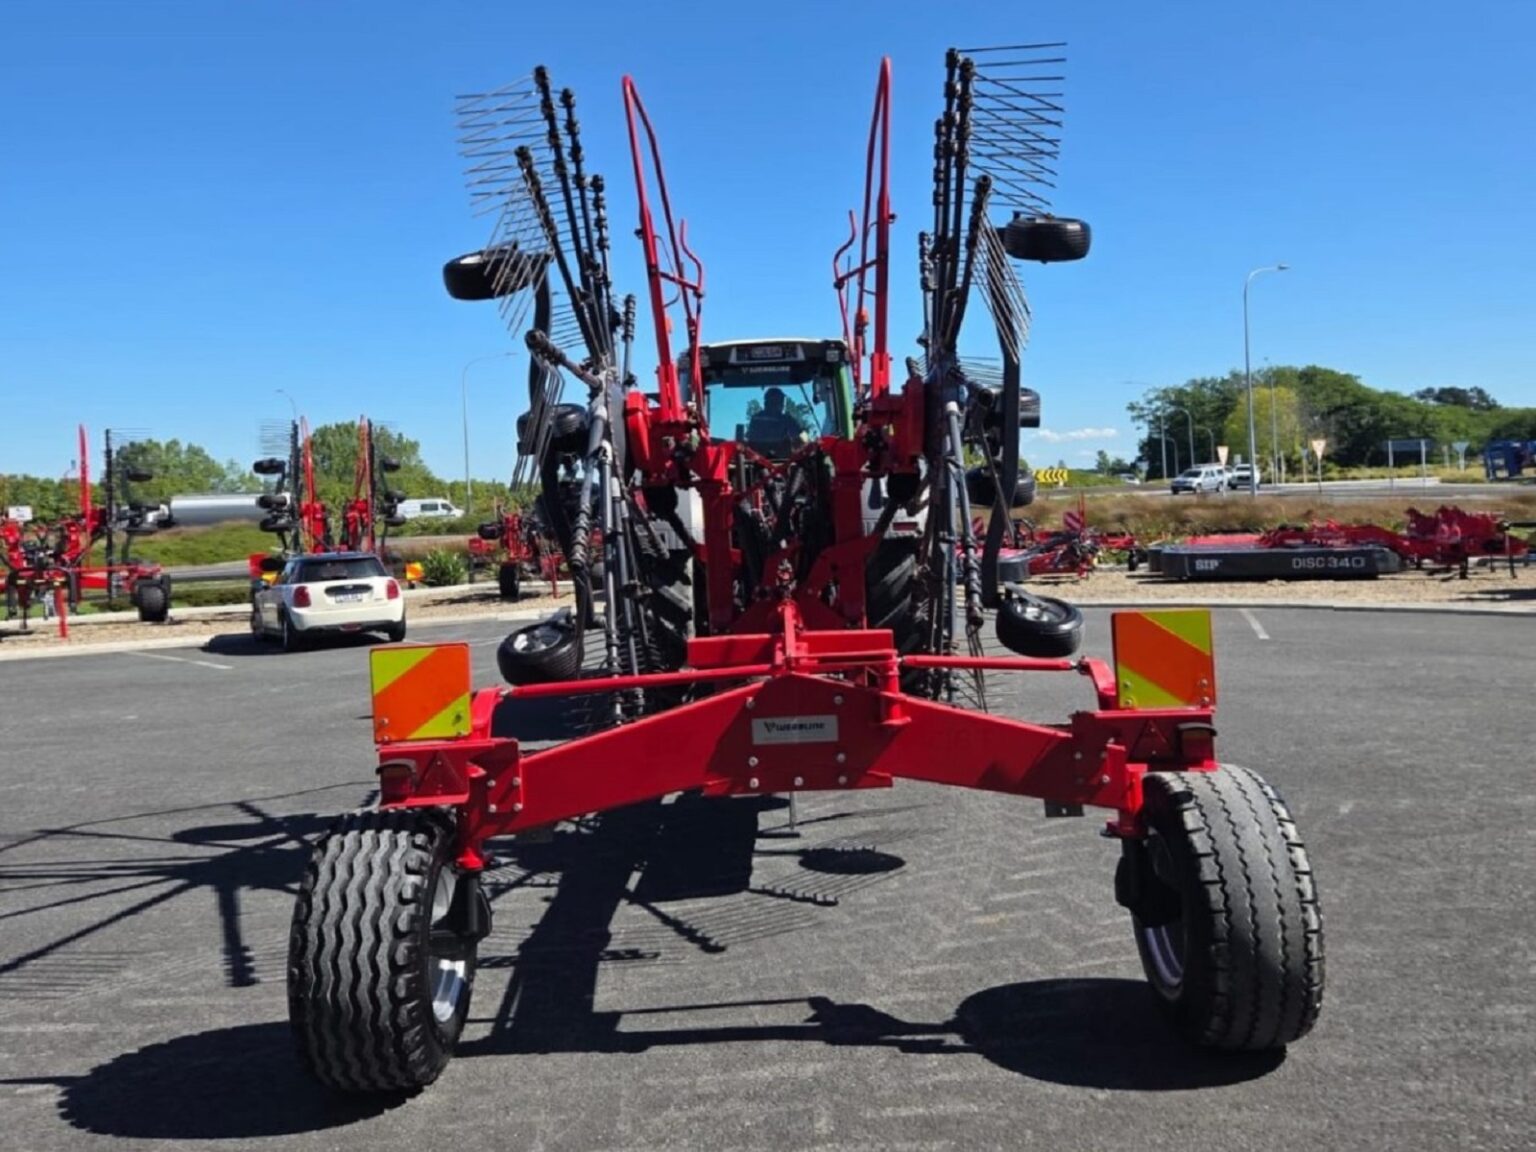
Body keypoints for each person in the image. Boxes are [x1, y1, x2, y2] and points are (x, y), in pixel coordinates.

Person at [745, 386, 806, 456]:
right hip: (781, 461)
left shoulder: (756, 418)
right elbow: (803, 438)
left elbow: (749, 440)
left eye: (782, 401)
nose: (782, 404)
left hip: (761, 461)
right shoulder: (786, 419)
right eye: (781, 401)